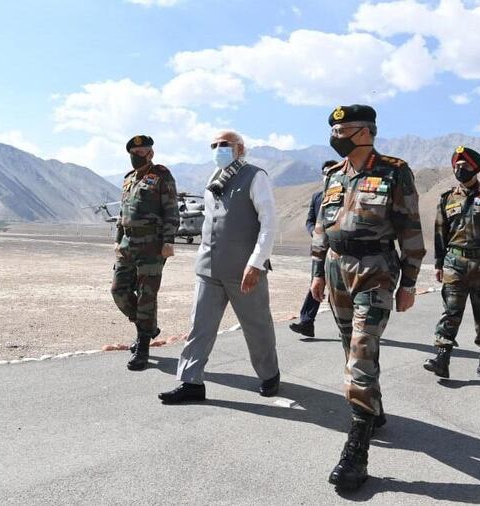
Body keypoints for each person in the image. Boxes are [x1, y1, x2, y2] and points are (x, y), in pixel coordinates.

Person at [310, 105, 425, 490]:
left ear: (364, 132)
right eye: (334, 129)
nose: (335, 135)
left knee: (361, 351)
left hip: (375, 269)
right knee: (351, 348)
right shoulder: (333, 174)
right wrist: (316, 272)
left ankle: (356, 453)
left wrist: (408, 282)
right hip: (336, 268)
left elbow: (410, 227)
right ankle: (372, 411)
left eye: (342, 129)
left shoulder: (394, 171)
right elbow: (322, 226)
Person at [158, 130, 280, 404]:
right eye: (214, 145)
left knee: (257, 326)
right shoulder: (214, 178)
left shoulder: (255, 176)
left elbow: (269, 222)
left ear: (240, 148)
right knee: (199, 327)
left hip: (244, 269)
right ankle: (191, 382)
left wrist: (257, 263)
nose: (218, 149)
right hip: (208, 268)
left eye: (224, 144)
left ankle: (269, 375)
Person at [424, 146, 480, 379]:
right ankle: (442, 358)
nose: (459, 170)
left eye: (464, 166)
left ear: (475, 168)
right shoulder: (447, 199)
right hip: (455, 263)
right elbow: (439, 234)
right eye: (456, 166)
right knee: (451, 311)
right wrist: (438, 264)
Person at [111, 135, 179, 371]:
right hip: (128, 243)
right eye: (134, 152)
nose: (138, 156)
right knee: (118, 290)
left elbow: (171, 210)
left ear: (151, 153)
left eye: (143, 152)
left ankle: (143, 346)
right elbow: (122, 213)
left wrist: (169, 241)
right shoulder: (128, 179)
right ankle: (148, 327)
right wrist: (118, 240)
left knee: (146, 295)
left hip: (152, 244)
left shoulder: (161, 176)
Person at [289, 160, 338, 338]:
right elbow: (310, 220)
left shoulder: (346, 193)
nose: (327, 175)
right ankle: (307, 323)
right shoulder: (317, 197)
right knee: (315, 285)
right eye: (325, 172)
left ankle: (347, 325)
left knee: (339, 289)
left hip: (338, 250)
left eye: (331, 172)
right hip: (319, 251)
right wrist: (315, 233)